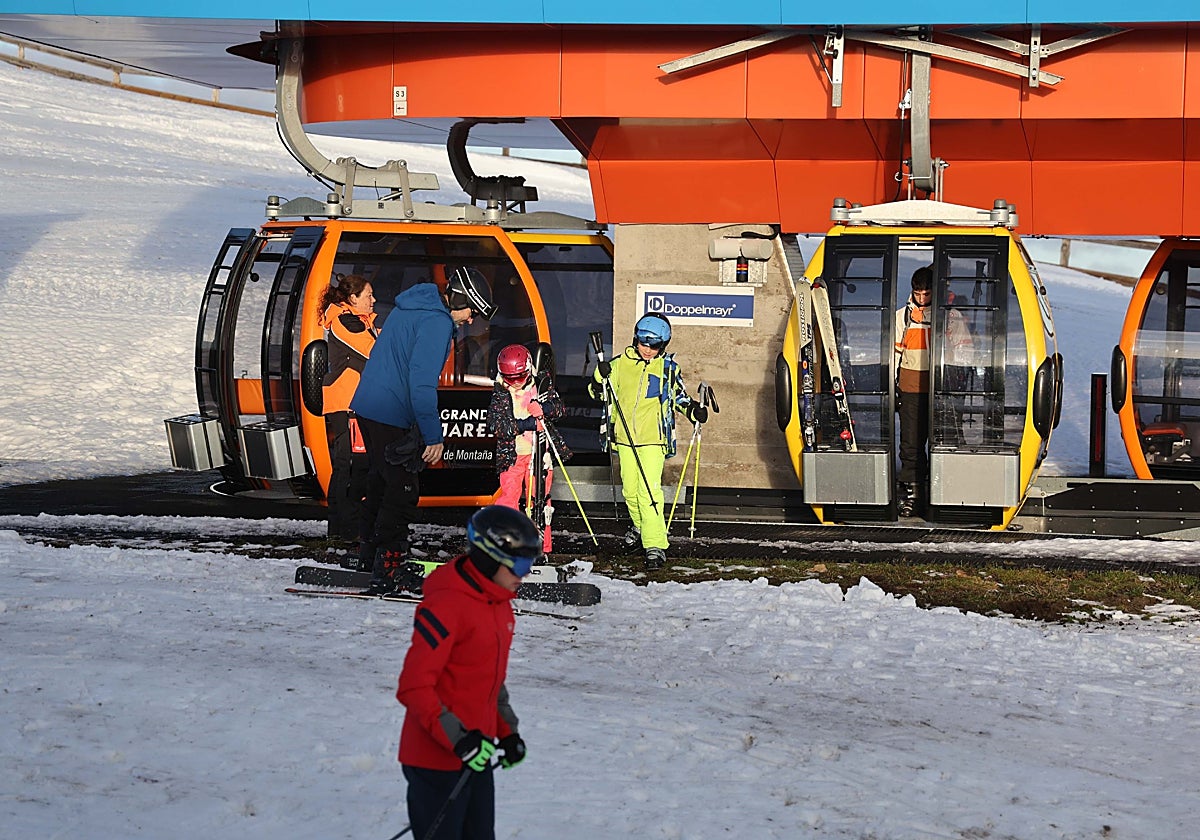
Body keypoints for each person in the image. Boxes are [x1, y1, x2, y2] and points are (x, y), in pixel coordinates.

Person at [395, 505, 537, 840]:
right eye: (520, 564)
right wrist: (459, 740)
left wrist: (508, 732)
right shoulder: (446, 606)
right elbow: (414, 686)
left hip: (476, 754)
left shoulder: (499, 603)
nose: (525, 574)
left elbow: (490, 680)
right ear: (489, 560)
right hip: (435, 759)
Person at [351, 266, 496, 595]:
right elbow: (421, 384)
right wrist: (433, 436)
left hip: (368, 404)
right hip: (390, 409)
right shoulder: (436, 322)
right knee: (402, 489)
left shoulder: (414, 306)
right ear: (460, 300)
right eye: (472, 312)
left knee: (379, 481)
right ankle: (388, 568)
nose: (472, 320)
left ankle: (369, 555)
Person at [589, 312, 707, 569]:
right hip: (624, 439)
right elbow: (599, 394)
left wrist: (694, 410)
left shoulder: (667, 369)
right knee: (630, 491)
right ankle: (641, 526)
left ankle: (655, 544)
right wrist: (600, 376)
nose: (648, 350)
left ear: (663, 346)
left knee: (649, 491)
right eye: (644, 343)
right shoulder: (620, 364)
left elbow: (679, 398)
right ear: (636, 339)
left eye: (655, 346)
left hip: (653, 439)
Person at [894, 265, 974, 516]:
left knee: (945, 440)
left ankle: (945, 492)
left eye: (926, 294)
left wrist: (957, 372)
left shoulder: (951, 317)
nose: (922, 299)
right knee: (911, 444)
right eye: (918, 294)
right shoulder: (902, 318)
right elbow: (895, 353)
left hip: (941, 386)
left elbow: (965, 351)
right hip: (910, 386)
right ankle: (913, 494)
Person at [486, 344, 571, 553]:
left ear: (529, 368)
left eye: (520, 376)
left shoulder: (541, 383)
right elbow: (495, 424)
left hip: (540, 455)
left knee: (538, 500)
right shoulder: (500, 392)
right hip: (512, 455)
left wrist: (545, 409)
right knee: (508, 499)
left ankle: (542, 546)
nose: (515, 383)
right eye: (509, 378)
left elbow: (560, 409)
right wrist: (525, 424)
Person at [317, 273, 378, 549]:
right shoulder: (345, 321)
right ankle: (345, 529)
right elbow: (374, 352)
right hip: (348, 403)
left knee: (349, 467)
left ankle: (341, 529)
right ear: (353, 298)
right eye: (368, 295)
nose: (373, 300)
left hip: (352, 402)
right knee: (350, 467)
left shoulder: (354, 320)